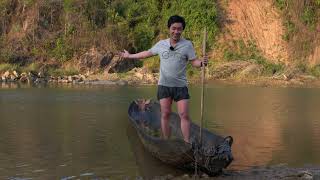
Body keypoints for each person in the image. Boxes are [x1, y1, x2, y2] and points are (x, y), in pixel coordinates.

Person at [120, 15, 208, 143]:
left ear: (182, 30)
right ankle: (166, 142)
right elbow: (146, 53)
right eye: (174, 28)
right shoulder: (161, 44)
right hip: (164, 86)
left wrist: (201, 63)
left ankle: (187, 143)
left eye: (179, 29)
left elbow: (194, 61)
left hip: (180, 86)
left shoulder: (187, 45)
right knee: (165, 114)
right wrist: (129, 56)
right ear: (169, 28)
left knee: (184, 114)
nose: (176, 31)